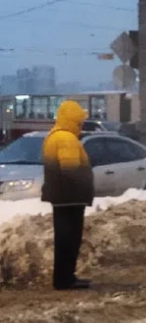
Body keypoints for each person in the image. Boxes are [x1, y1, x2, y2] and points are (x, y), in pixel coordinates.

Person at [41, 100, 94, 290]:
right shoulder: (67, 139)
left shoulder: (54, 136)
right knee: (69, 239)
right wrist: (84, 186)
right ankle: (65, 279)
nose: (82, 125)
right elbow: (70, 169)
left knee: (64, 239)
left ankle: (64, 278)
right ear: (73, 120)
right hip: (70, 198)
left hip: (61, 198)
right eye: (80, 121)